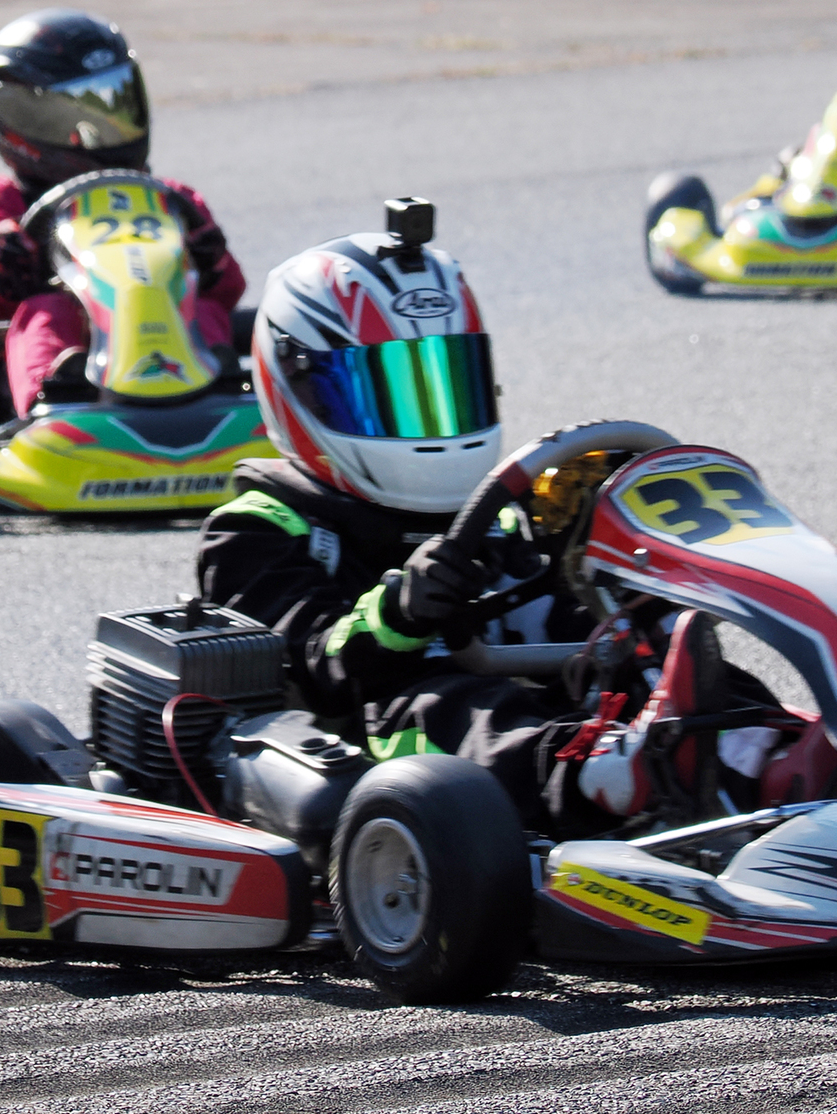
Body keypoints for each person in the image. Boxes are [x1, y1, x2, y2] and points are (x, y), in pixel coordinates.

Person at [195, 201, 786, 835]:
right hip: (372, 737)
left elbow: (553, 619)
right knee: (452, 706)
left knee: (644, 656)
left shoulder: (489, 514)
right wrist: (399, 612)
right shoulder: (253, 530)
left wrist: (618, 604)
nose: (429, 422)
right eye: (393, 393)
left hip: (529, 711)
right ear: (298, 385)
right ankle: (605, 776)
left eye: (448, 387)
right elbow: (315, 667)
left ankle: (768, 750)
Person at [0, 10, 244, 416]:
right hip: (74, 341)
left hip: (161, 328)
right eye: (66, 117)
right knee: (45, 311)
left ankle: (222, 393)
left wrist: (211, 262)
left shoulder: (172, 199)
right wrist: (9, 261)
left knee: (200, 307)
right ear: (17, 117)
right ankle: (54, 401)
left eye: (113, 103)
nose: (96, 133)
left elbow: (229, 291)